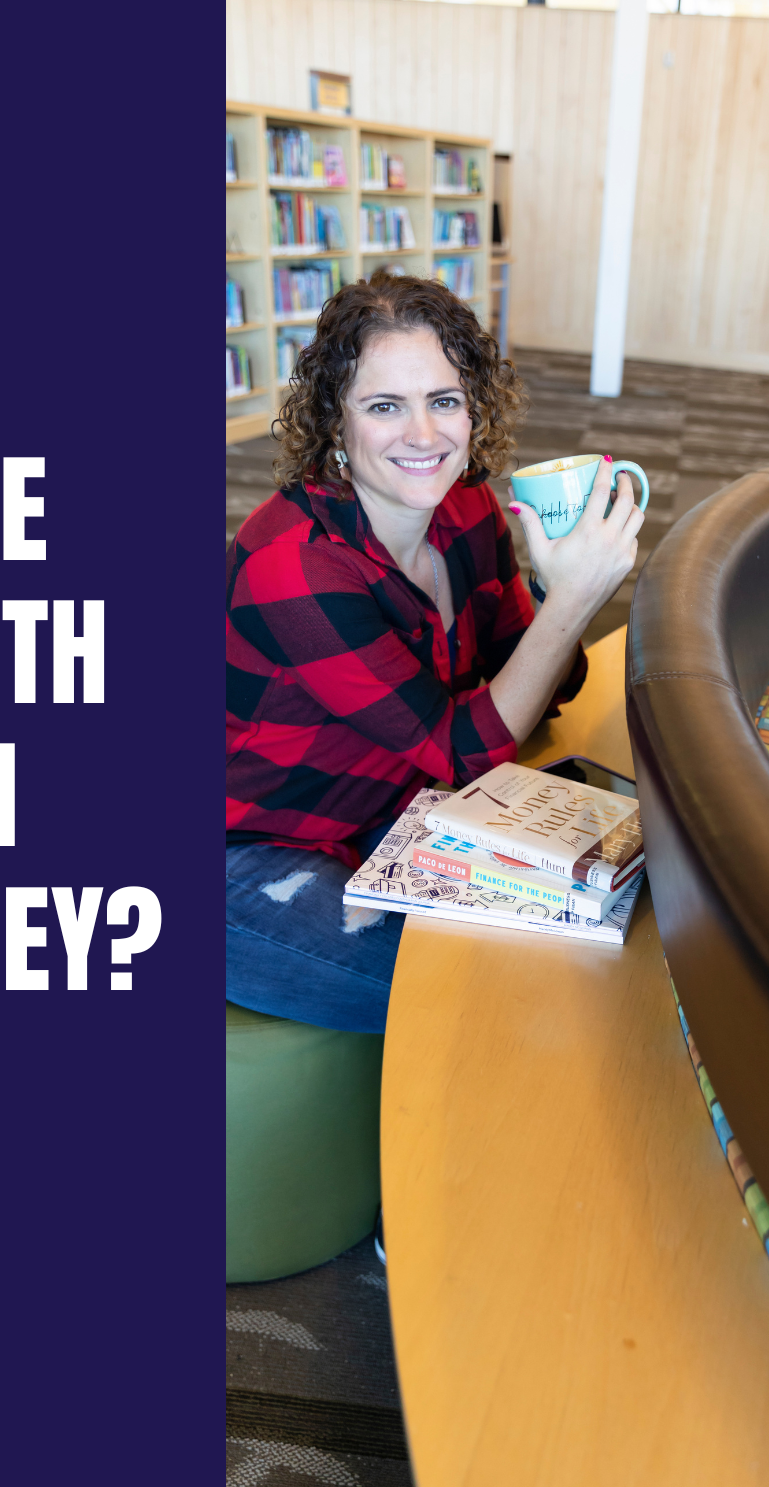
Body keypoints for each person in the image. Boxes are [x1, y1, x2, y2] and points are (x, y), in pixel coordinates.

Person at [226, 272, 645, 1034]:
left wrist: (557, 592)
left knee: (605, 938)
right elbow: (463, 752)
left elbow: (552, 678)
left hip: (393, 810)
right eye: (385, 406)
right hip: (248, 848)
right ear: (335, 422)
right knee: (481, 1001)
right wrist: (576, 601)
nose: (425, 436)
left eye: (444, 400)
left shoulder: (467, 506)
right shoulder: (293, 564)